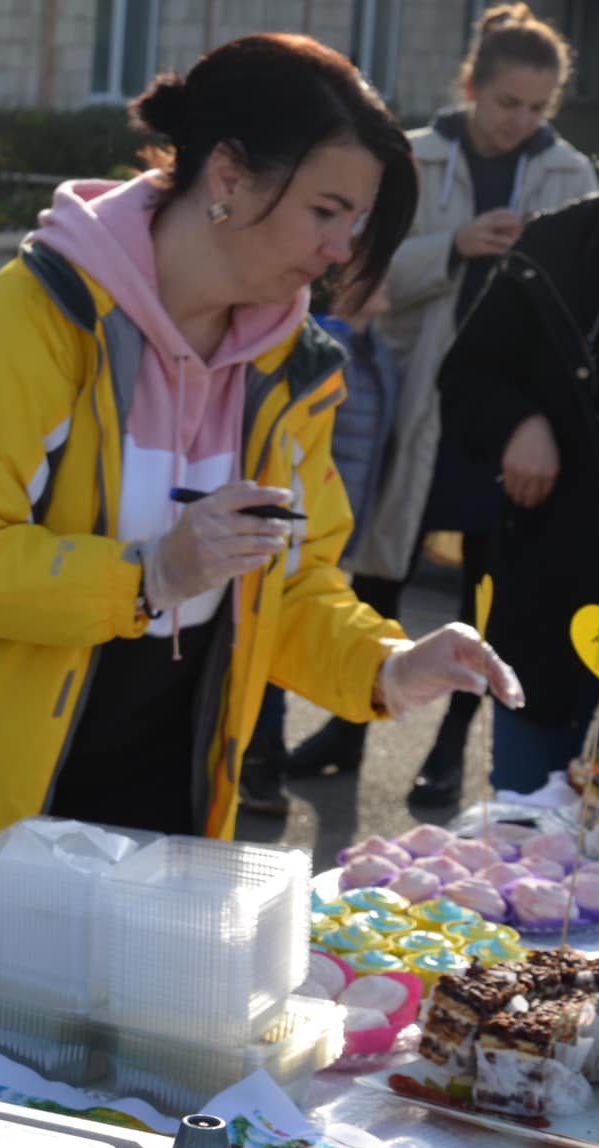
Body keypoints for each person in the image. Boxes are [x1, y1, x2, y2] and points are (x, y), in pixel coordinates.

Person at [0, 33, 525, 1042]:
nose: (340, 249)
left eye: (356, 223)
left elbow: (289, 588)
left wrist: (388, 664)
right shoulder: (34, 317)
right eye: (326, 211)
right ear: (228, 176)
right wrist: (151, 572)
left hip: (167, 794)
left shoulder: (295, 370)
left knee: (130, 1096)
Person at [291, 2, 596, 804]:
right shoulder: (413, 157)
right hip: (412, 396)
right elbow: (355, 267)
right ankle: (347, 726)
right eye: (506, 102)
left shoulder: (571, 173)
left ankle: (451, 747)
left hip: (508, 416)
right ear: (470, 87)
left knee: (486, 584)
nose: (521, 121)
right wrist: (453, 248)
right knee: (378, 567)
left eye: (537, 107)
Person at [437, 177, 599, 795]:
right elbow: (467, 378)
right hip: (552, 576)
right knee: (524, 819)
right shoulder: (559, 245)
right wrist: (519, 424)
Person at [240, 271, 398, 815]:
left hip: (327, 519)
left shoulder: (370, 350)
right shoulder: (313, 350)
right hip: (295, 520)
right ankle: (260, 762)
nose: (390, 279)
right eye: (376, 268)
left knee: (285, 624)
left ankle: (261, 761)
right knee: (265, 637)